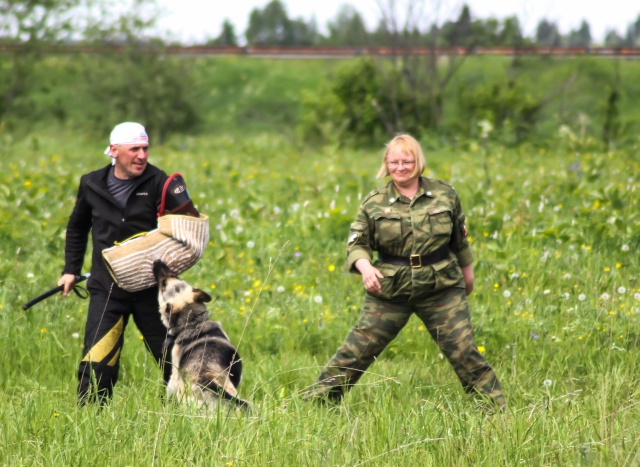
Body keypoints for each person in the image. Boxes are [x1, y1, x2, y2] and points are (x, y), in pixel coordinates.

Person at [305, 134, 506, 409]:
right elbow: (356, 244)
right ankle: (316, 406)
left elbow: (459, 239)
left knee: (463, 351)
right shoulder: (374, 202)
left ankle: (494, 410)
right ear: (386, 165)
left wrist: (468, 274)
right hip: (390, 289)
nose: (401, 167)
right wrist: (365, 268)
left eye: (407, 161)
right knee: (356, 351)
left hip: (441, 287)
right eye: (394, 162)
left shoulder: (445, 193)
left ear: (418, 162)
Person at [58, 122, 172, 405]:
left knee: (173, 356)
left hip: (150, 289)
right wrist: (71, 269)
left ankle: (190, 410)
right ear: (114, 150)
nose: (142, 155)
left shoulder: (159, 181)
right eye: (135, 149)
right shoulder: (91, 183)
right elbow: (77, 227)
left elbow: (181, 228)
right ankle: (91, 421)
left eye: (145, 148)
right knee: (98, 362)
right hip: (107, 289)